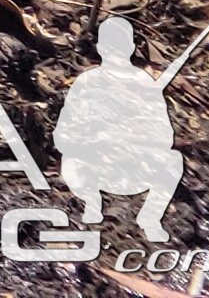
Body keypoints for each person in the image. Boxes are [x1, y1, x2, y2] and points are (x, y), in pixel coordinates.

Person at [55, 15, 183, 243]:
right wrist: (95, 142)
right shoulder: (87, 82)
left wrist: (134, 140)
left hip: (133, 168)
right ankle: (91, 205)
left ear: (131, 48)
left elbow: (165, 136)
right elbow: (63, 136)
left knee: (173, 160)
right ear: (101, 48)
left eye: (120, 46)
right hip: (93, 168)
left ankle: (150, 218)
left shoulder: (144, 83)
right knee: (71, 160)